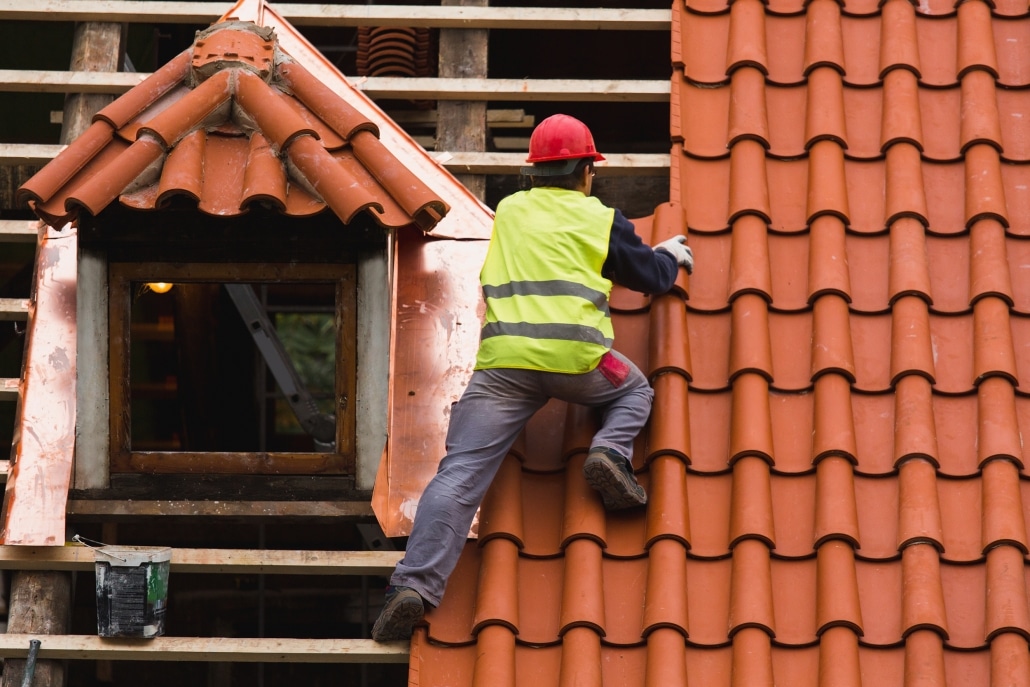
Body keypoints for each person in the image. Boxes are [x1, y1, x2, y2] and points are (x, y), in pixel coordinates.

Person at [371, 114, 694, 641]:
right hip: (582, 363)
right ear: (588, 170)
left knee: (457, 478)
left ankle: (412, 585)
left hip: (505, 367)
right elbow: (652, 278)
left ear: (534, 173)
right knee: (636, 389)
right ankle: (609, 452)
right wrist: (671, 256)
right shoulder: (601, 218)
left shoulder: (510, 212)